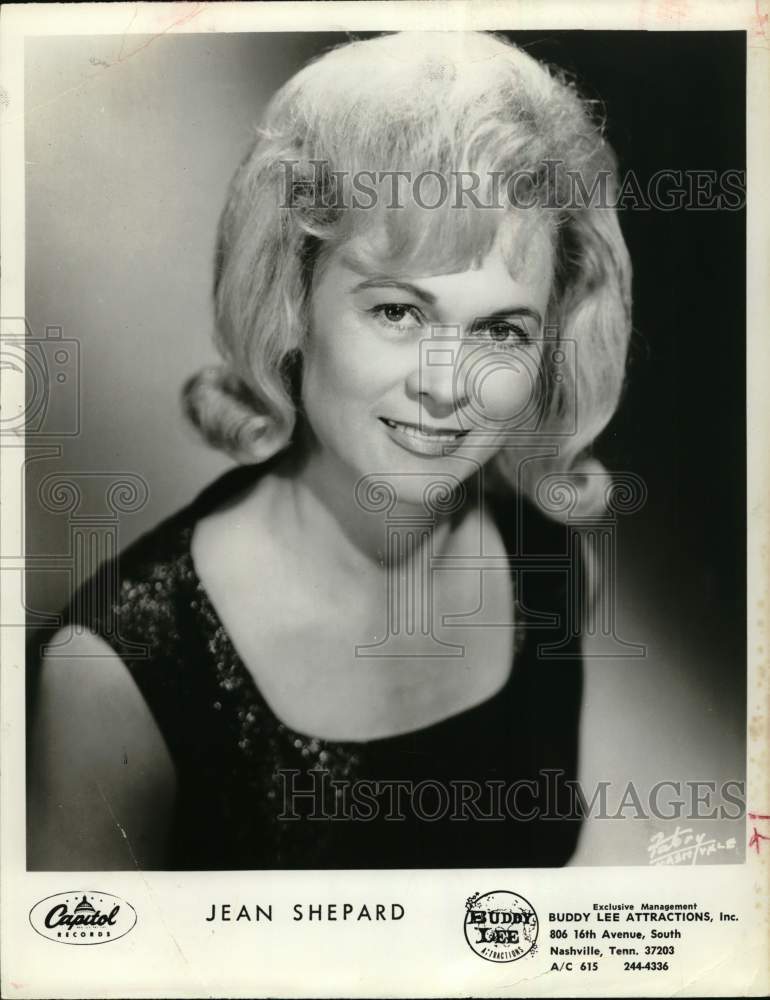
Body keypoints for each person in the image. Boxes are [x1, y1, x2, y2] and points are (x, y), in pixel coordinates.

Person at [27, 30, 631, 870]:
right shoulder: (113, 672)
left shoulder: (554, 568)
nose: (446, 384)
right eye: (398, 312)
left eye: (501, 329)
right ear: (291, 302)